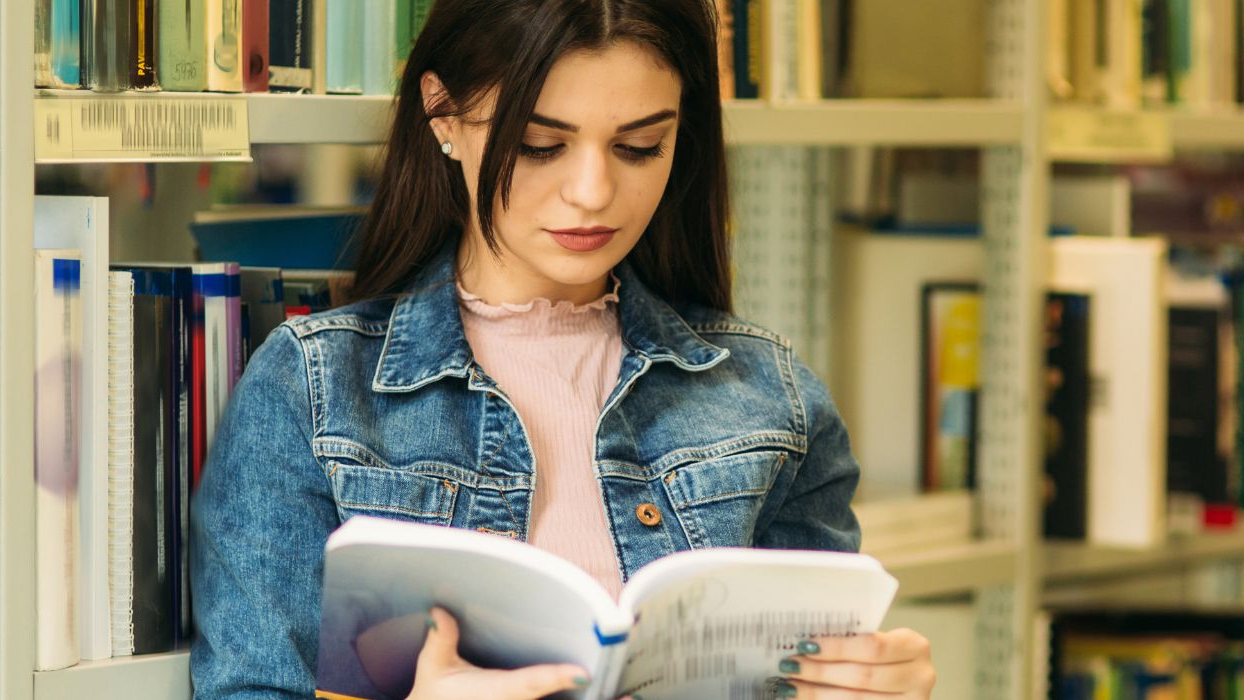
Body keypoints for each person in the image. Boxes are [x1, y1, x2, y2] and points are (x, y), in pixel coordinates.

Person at [189, 0, 937, 698]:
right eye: (542, 145)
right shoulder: (313, 391)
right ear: (442, 113)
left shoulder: (771, 396)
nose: (592, 191)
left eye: (641, 147)